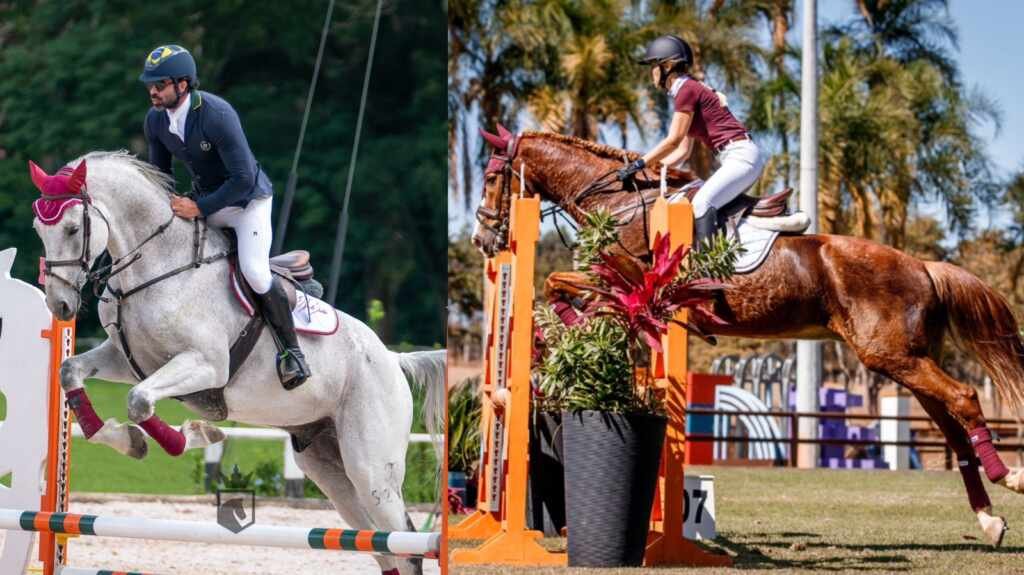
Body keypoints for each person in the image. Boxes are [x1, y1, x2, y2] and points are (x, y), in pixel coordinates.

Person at [139, 44, 310, 389]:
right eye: (150, 85)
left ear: (183, 85)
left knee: (255, 273)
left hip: (247, 204)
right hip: (206, 201)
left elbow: (243, 179)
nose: (153, 91)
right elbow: (161, 174)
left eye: (160, 84)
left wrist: (199, 209)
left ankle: (293, 353)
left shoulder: (216, 114)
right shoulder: (156, 120)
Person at [618, 34, 766, 246]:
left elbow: (673, 140)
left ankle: (709, 269)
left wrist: (639, 164)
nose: (651, 72)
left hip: (741, 156)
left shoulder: (686, 90)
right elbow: (682, 152)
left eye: (653, 65)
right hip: (738, 155)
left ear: (667, 65)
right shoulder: (689, 89)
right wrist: (654, 169)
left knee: (701, 204)